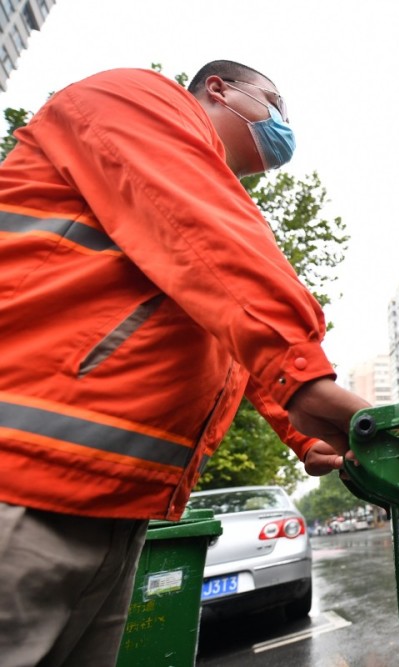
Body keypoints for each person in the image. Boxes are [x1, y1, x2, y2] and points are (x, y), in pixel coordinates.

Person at [0, 60, 370, 666]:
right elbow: (209, 238)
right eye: (275, 103)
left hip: (118, 510)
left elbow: (222, 325)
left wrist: (297, 424)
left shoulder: (191, 214)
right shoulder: (137, 97)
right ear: (219, 89)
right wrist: (302, 373)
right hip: (23, 483)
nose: (285, 124)